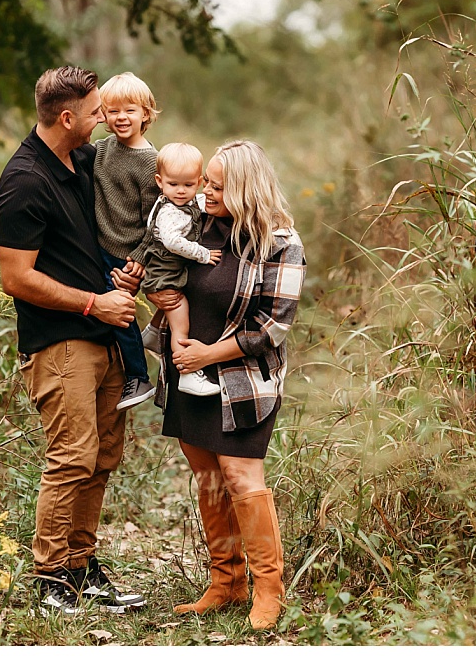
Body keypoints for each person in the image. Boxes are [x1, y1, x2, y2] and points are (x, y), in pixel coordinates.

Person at [0, 66, 146, 616]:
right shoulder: (25, 181)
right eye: (95, 112)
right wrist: (91, 302)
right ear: (67, 117)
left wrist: (120, 281)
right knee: (71, 457)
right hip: (61, 342)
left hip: (105, 331)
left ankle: (82, 567)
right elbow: (17, 277)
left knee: (102, 457)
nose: (102, 118)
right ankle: (51, 576)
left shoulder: (82, 161)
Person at [146, 139, 306, 631]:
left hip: (241, 381)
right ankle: (226, 582)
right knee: (208, 475)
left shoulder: (280, 241)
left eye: (216, 185)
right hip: (188, 375)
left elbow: (272, 326)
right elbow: (167, 269)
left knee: (241, 477)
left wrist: (207, 355)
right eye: (205, 182)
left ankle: (269, 588)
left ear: (243, 188)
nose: (205, 191)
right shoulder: (195, 223)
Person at [92, 72, 161, 410]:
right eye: (113, 111)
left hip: (128, 253)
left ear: (146, 113)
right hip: (100, 245)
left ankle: (140, 377)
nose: (121, 118)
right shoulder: (101, 150)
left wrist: (140, 259)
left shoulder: (150, 162)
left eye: (130, 110)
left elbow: (157, 219)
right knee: (102, 312)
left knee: (120, 312)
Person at [138, 142, 222, 397]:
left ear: (198, 182)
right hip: (165, 275)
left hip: (168, 272)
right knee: (180, 319)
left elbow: (198, 202)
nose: (181, 191)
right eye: (173, 185)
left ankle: (152, 335)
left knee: (176, 314)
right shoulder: (170, 213)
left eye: (188, 185)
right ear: (160, 182)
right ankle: (186, 372)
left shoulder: (184, 202)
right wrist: (202, 254)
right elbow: (173, 242)